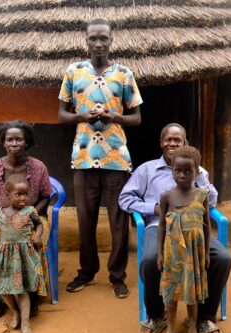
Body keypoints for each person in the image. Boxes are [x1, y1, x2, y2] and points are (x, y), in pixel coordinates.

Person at [118, 123, 231, 333]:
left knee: (223, 258)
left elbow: (212, 201)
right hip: (159, 226)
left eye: (177, 140)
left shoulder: (197, 171)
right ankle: (156, 316)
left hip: (195, 229)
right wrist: (152, 208)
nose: (172, 143)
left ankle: (204, 318)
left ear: (184, 143)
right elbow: (124, 198)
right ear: (161, 143)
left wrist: (199, 177)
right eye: (168, 139)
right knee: (151, 260)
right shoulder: (147, 170)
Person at [58, 18, 143, 298]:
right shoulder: (73, 72)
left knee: (119, 219)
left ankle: (117, 276)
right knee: (86, 219)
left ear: (111, 41)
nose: (98, 43)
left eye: (103, 38)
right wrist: (80, 116)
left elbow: (137, 117)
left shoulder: (124, 74)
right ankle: (86, 272)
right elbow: (62, 115)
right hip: (83, 158)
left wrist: (115, 116)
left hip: (116, 159)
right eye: (93, 38)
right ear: (86, 41)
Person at [0, 120, 52, 318]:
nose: (14, 143)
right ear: (3, 142)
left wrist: (29, 214)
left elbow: (46, 196)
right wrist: (2, 216)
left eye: (19, 139)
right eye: (10, 139)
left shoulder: (38, 167)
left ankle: (32, 293)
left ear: (26, 142)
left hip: (34, 219)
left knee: (34, 243)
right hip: (4, 218)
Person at [156, 146, 210, 333]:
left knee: (191, 294)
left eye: (188, 171)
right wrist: (160, 253)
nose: (182, 175)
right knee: (170, 295)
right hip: (172, 254)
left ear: (196, 172)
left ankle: (192, 328)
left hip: (193, 255)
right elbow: (161, 225)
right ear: (171, 170)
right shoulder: (166, 196)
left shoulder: (202, 196)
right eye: (178, 170)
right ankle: (170, 329)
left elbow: (206, 228)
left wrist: (205, 255)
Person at [0, 175, 47, 333]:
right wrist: (4, 232)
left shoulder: (29, 211)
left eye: (25, 194)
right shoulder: (1, 212)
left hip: (23, 256)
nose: (23, 198)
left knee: (21, 291)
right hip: (5, 256)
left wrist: (37, 236)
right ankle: (15, 312)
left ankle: (26, 324)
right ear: (8, 195)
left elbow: (40, 224)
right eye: (18, 194)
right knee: (2, 289)